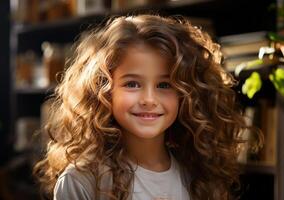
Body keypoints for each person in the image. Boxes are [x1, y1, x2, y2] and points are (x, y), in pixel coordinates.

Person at [33, 14, 256, 200]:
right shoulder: (81, 181)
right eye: (132, 84)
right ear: (103, 90)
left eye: (164, 85)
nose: (149, 99)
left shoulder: (200, 177)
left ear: (187, 94)